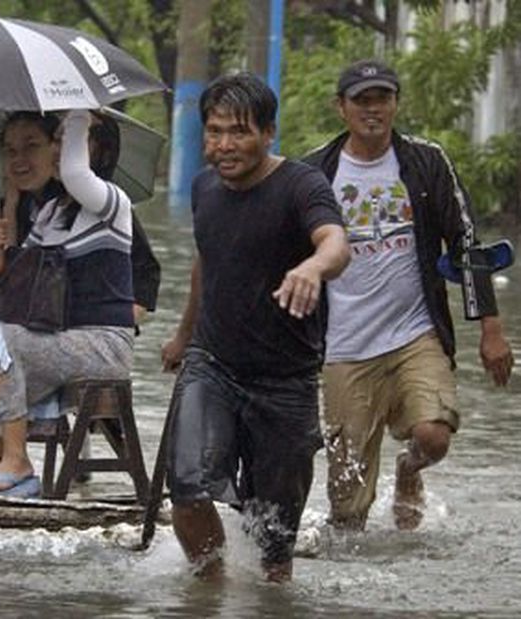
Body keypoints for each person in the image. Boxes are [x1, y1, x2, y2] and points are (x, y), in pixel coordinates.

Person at [303, 59, 514, 532]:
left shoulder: (426, 162)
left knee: (434, 435)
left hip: (415, 332)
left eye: (383, 98)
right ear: (342, 108)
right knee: (347, 509)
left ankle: (409, 468)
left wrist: (492, 330)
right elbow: (283, 253)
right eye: (362, 100)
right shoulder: (315, 172)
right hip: (343, 345)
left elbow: (465, 242)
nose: (373, 109)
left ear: (396, 104)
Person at [160, 72, 350, 582]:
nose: (224, 146)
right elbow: (208, 261)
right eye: (215, 131)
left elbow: (336, 242)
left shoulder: (301, 185)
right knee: (188, 486)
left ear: (268, 133)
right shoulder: (204, 189)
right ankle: (211, 591)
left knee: (274, 548)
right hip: (213, 364)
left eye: (238, 132)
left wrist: (312, 267)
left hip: (286, 379)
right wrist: (183, 334)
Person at [0, 108, 137, 497]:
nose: (58, 153)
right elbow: (13, 276)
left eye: (63, 145)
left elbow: (74, 174)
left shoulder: (110, 203)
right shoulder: (52, 211)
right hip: (58, 340)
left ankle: (17, 460)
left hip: (102, 345)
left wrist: (79, 115)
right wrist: (2, 228)